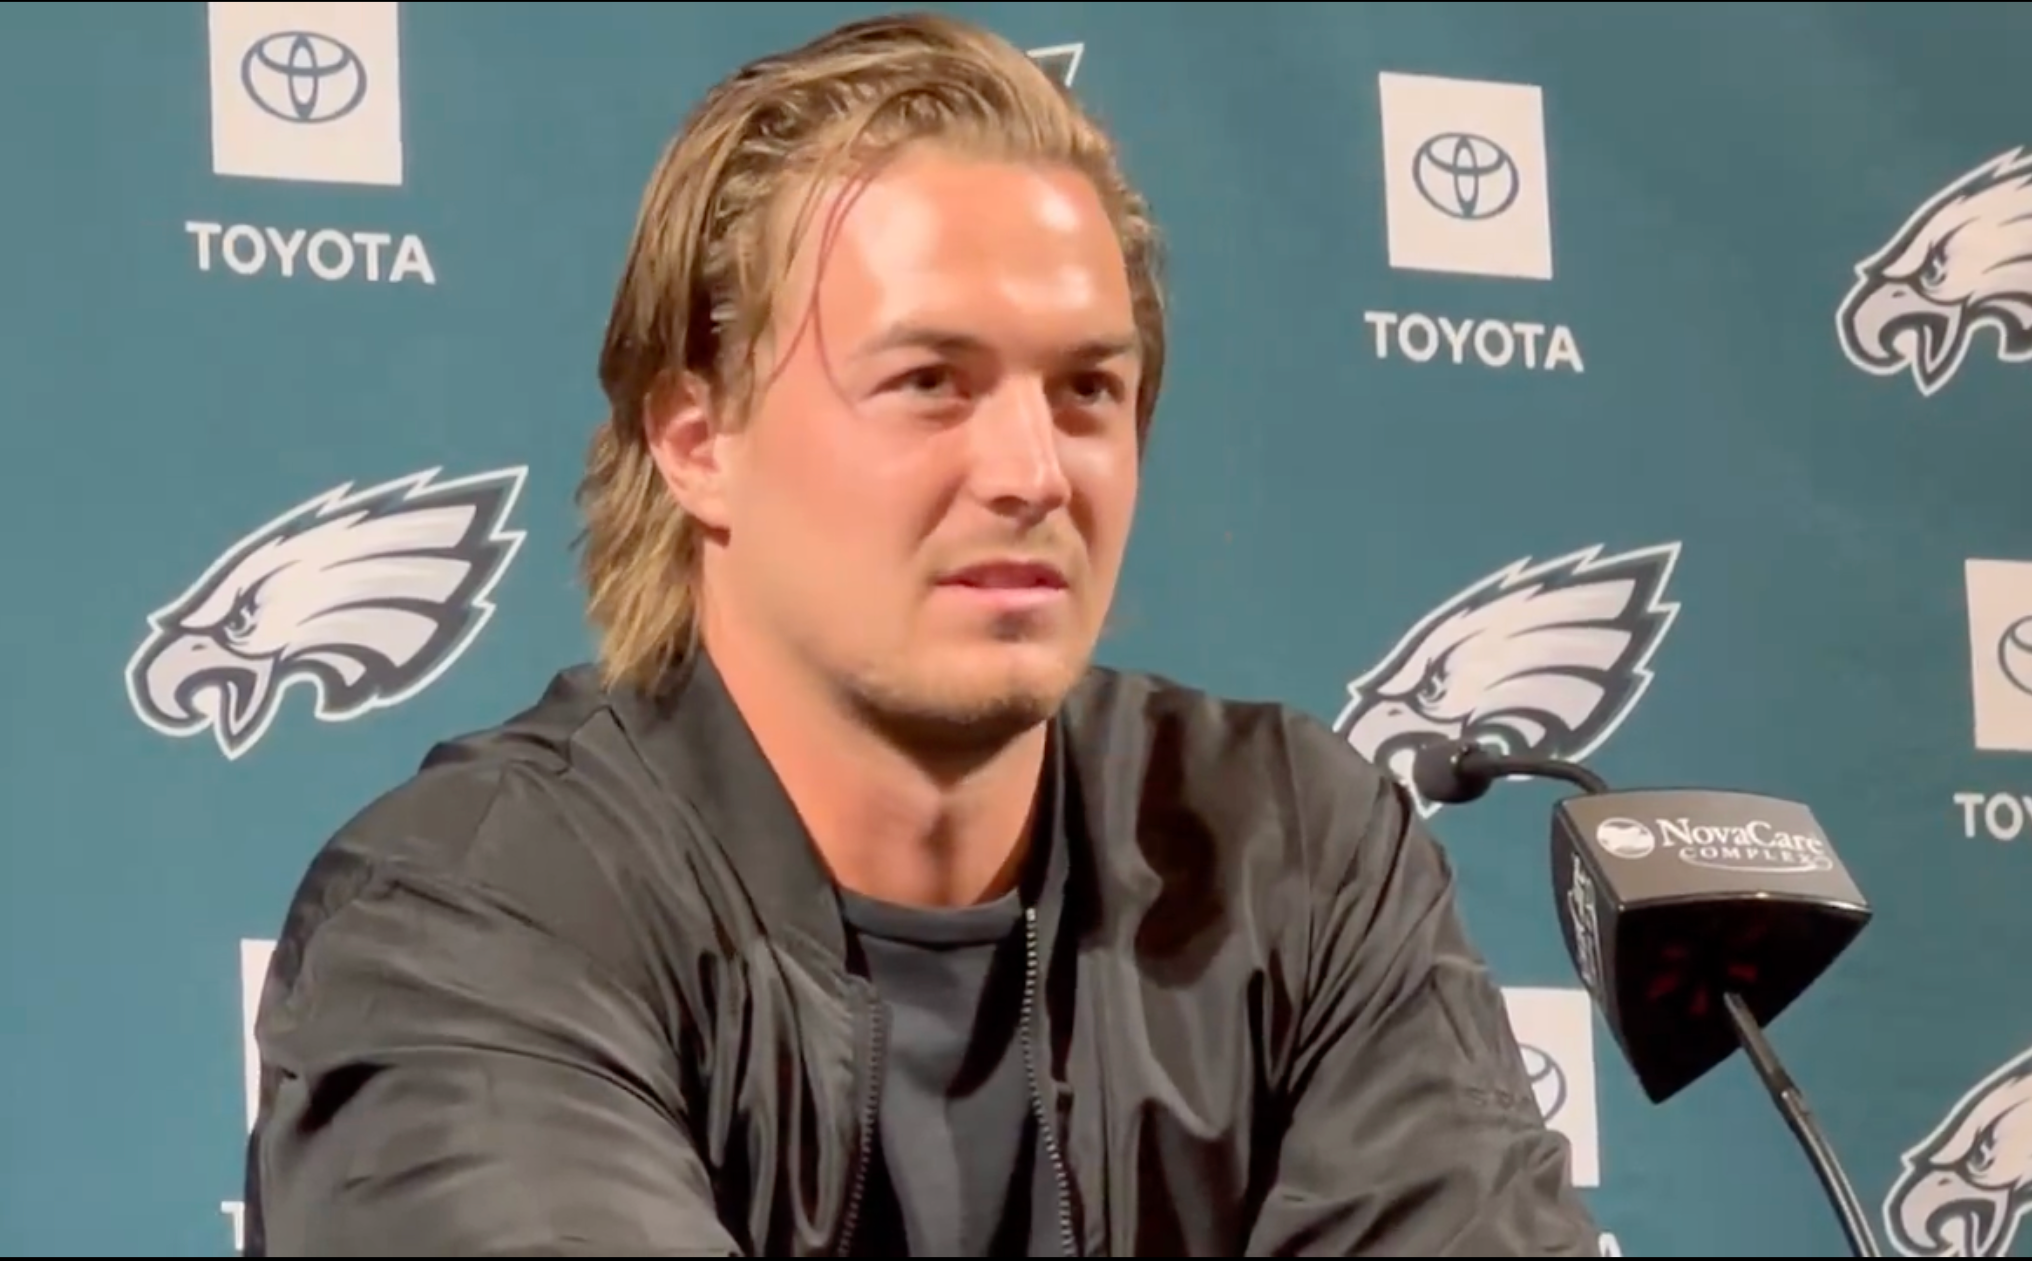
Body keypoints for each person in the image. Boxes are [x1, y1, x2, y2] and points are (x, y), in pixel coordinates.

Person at [242, 10, 1602, 1257]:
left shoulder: (1292, 853)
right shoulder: (468, 911)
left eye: (1086, 391)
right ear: (699, 442)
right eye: (928, 383)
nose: (1030, 470)